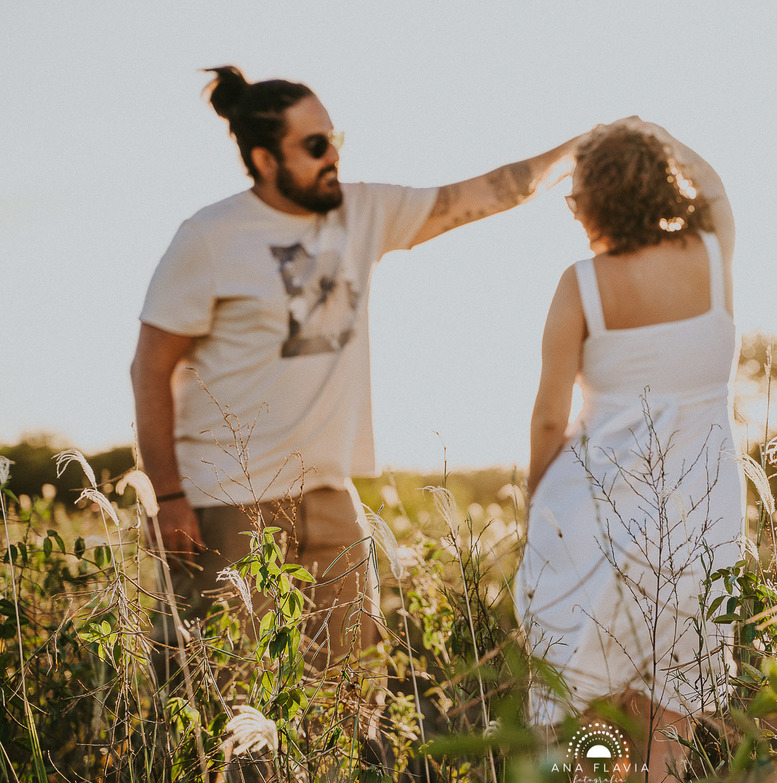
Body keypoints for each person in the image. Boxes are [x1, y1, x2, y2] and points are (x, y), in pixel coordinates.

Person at [131, 65, 586, 669]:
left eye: (335, 140)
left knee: (354, 684)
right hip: (227, 505)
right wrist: (167, 495)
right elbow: (150, 369)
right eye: (315, 146)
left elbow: (489, 192)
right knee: (234, 688)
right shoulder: (210, 237)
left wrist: (582, 147)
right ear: (265, 160)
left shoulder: (364, 211)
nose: (333, 157)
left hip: (330, 495)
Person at [514, 121, 745, 783]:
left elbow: (550, 417)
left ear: (590, 201)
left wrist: (538, 510)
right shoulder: (712, 256)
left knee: (593, 724)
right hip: (701, 519)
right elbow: (715, 189)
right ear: (661, 183)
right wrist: (651, 132)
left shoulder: (582, 284)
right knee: (667, 726)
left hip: (594, 519)